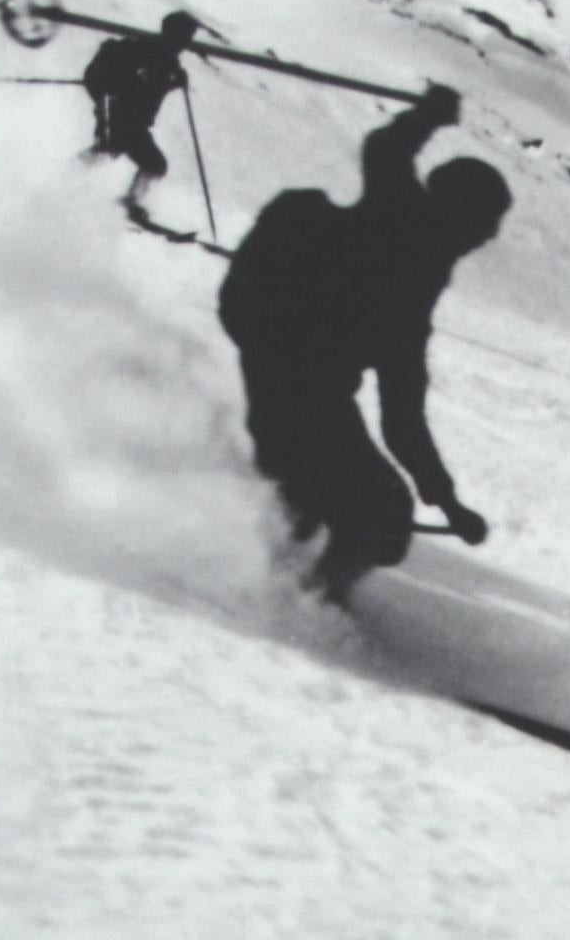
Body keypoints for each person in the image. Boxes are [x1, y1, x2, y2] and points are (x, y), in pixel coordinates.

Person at [218, 81, 508, 602]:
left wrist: (445, 499)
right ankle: (301, 601)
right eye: (486, 222)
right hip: (290, 374)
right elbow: (386, 151)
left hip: (299, 378)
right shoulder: (402, 221)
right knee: (375, 510)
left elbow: (402, 415)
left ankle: (289, 579)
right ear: (459, 211)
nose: (487, 238)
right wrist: (427, 117)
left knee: (330, 497)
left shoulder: (415, 267)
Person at [84, 10, 200, 230]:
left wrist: (175, 82)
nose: (188, 43)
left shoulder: (167, 58)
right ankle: (126, 201)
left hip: (132, 121)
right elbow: (139, 83)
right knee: (127, 155)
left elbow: (152, 88)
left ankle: (74, 177)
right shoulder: (147, 50)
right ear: (173, 33)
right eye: (186, 36)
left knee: (135, 158)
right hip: (119, 115)